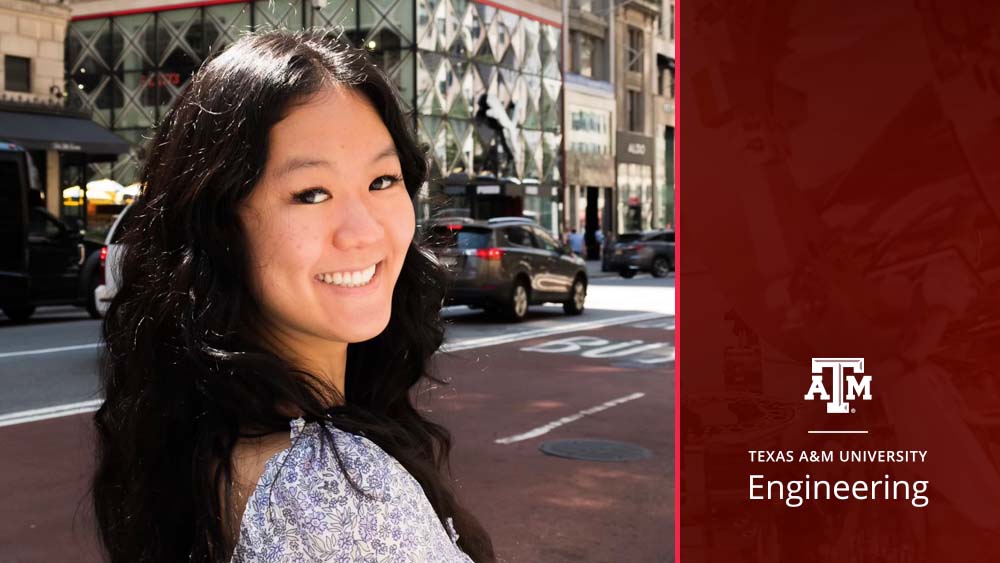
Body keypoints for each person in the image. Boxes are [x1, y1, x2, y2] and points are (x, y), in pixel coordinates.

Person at [92, 30, 494, 562]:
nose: (363, 232)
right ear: (220, 228)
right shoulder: (334, 493)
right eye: (311, 194)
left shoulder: (200, 433)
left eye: (381, 181)